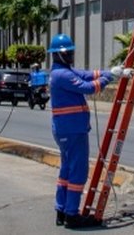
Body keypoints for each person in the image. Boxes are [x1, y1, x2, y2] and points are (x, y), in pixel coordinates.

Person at [48, 33, 113, 229]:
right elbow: (87, 87)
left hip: (67, 130)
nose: (70, 55)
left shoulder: (63, 71)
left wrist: (109, 71)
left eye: (70, 52)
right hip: (72, 130)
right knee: (78, 172)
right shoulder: (62, 75)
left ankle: (61, 210)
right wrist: (109, 78)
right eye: (67, 53)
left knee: (66, 170)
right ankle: (72, 215)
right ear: (58, 55)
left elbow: (85, 74)